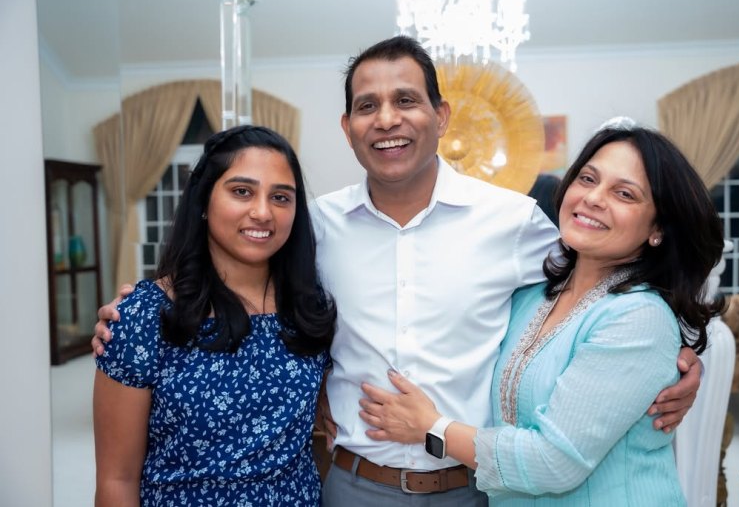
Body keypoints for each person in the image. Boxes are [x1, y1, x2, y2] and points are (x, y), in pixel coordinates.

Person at [93, 37, 702, 506]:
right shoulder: (313, 228)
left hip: (477, 488)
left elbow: (603, 281)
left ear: (441, 116)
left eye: (406, 100)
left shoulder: (514, 222)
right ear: (348, 128)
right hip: (351, 486)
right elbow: (234, 273)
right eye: (367, 106)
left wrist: (678, 354)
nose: (387, 118)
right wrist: (136, 310)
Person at [357, 123, 724, 506]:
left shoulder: (638, 317)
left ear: (658, 229)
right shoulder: (532, 294)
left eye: (624, 193)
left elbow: (555, 462)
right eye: (587, 178)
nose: (593, 198)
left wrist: (430, 428)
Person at [93, 125, 337, 506]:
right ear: (204, 201)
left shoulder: (310, 306)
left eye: (281, 197)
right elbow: (116, 479)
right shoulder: (144, 315)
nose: (262, 212)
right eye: (242, 191)